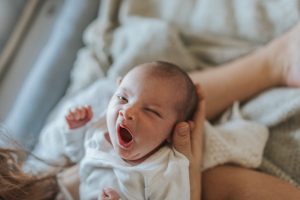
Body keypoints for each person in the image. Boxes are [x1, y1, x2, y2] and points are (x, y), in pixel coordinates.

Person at [1, 22, 300, 200]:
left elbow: (78, 141)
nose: (127, 112)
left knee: (140, 92)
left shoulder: (88, 139)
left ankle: (274, 62)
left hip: (60, 172)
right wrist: (190, 176)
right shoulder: (163, 174)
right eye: (125, 100)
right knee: (216, 180)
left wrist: (79, 127)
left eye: (151, 112)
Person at [28, 61, 201, 200]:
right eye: (122, 97)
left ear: (173, 132)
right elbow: (78, 155)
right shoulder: (100, 131)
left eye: (150, 111)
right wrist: (75, 130)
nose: (127, 111)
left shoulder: (164, 172)